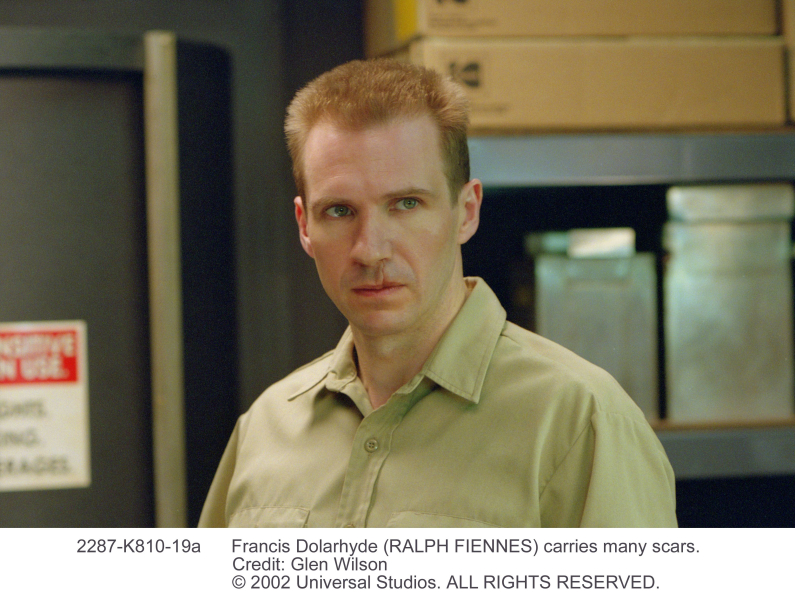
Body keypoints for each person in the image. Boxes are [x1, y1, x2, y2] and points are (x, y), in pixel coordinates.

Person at [199, 58, 677, 528]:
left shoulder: (579, 422)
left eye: (406, 204)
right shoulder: (263, 430)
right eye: (340, 211)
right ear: (305, 226)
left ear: (466, 211)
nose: (370, 250)